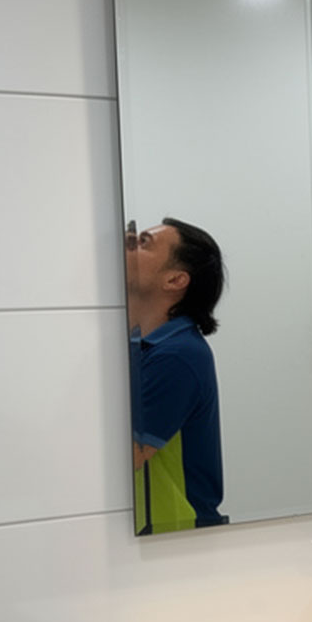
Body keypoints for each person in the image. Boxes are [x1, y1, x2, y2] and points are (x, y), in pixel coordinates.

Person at [126, 217, 228, 533]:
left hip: (174, 535)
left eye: (143, 242)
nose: (127, 244)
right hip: (149, 529)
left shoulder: (178, 355)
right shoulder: (137, 344)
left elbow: (125, 459)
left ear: (174, 280)